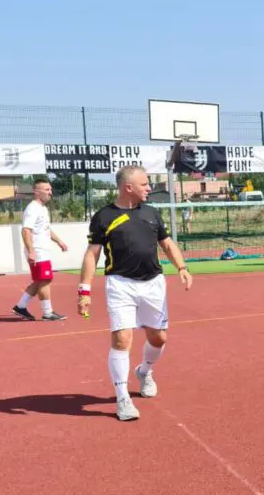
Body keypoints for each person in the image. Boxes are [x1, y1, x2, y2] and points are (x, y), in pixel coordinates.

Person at [77, 165, 193, 421]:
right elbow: (92, 254)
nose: (149, 188)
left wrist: (182, 267)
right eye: (145, 184)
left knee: (159, 338)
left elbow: (167, 243)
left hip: (153, 284)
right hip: (120, 284)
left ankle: (144, 371)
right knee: (122, 339)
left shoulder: (151, 213)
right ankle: (122, 398)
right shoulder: (104, 216)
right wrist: (84, 290)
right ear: (128, 187)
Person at [13, 177, 69, 321]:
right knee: (45, 279)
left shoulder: (42, 208)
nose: (50, 192)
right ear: (37, 192)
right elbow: (26, 231)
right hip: (37, 250)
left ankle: (20, 306)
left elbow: (46, 229)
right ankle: (47, 313)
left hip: (41, 249)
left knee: (39, 280)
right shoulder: (32, 208)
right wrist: (31, 251)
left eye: (50, 189)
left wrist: (59, 241)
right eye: (47, 189)